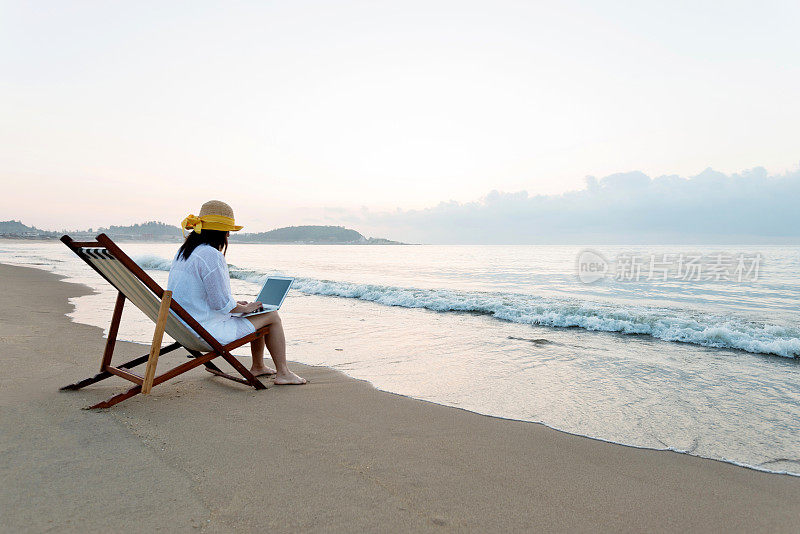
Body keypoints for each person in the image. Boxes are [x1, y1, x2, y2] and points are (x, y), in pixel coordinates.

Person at [167, 200, 306, 385]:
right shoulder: (211, 255)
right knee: (271, 315)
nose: (229, 236)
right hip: (206, 333)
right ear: (221, 232)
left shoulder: (185, 252)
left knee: (255, 310)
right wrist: (242, 308)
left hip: (185, 326)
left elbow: (198, 296)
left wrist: (240, 306)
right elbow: (221, 304)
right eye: (228, 231)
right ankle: (284, 373)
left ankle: (258, 367)